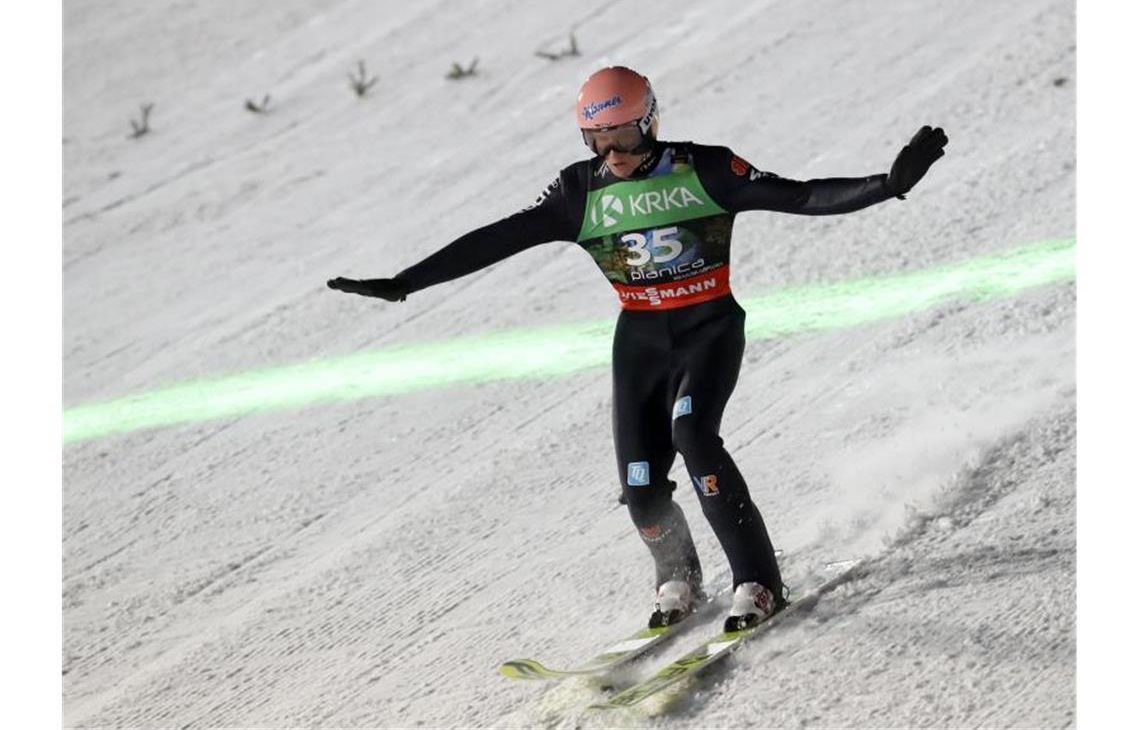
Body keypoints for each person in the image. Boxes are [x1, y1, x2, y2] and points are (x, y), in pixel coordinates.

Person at [328, 66, 947, 632]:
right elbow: (497, 239)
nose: (613, 153)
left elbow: (803, 195)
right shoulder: (579, 192)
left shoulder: (704, 169)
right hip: (641, 342)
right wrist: (406, 283)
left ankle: (759, 581)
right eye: (597, 140)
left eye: (625, 136)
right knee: (641, 484)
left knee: (694, 438)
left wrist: (887, 184)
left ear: (651, 121)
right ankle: (677, 576)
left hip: (708, 331)